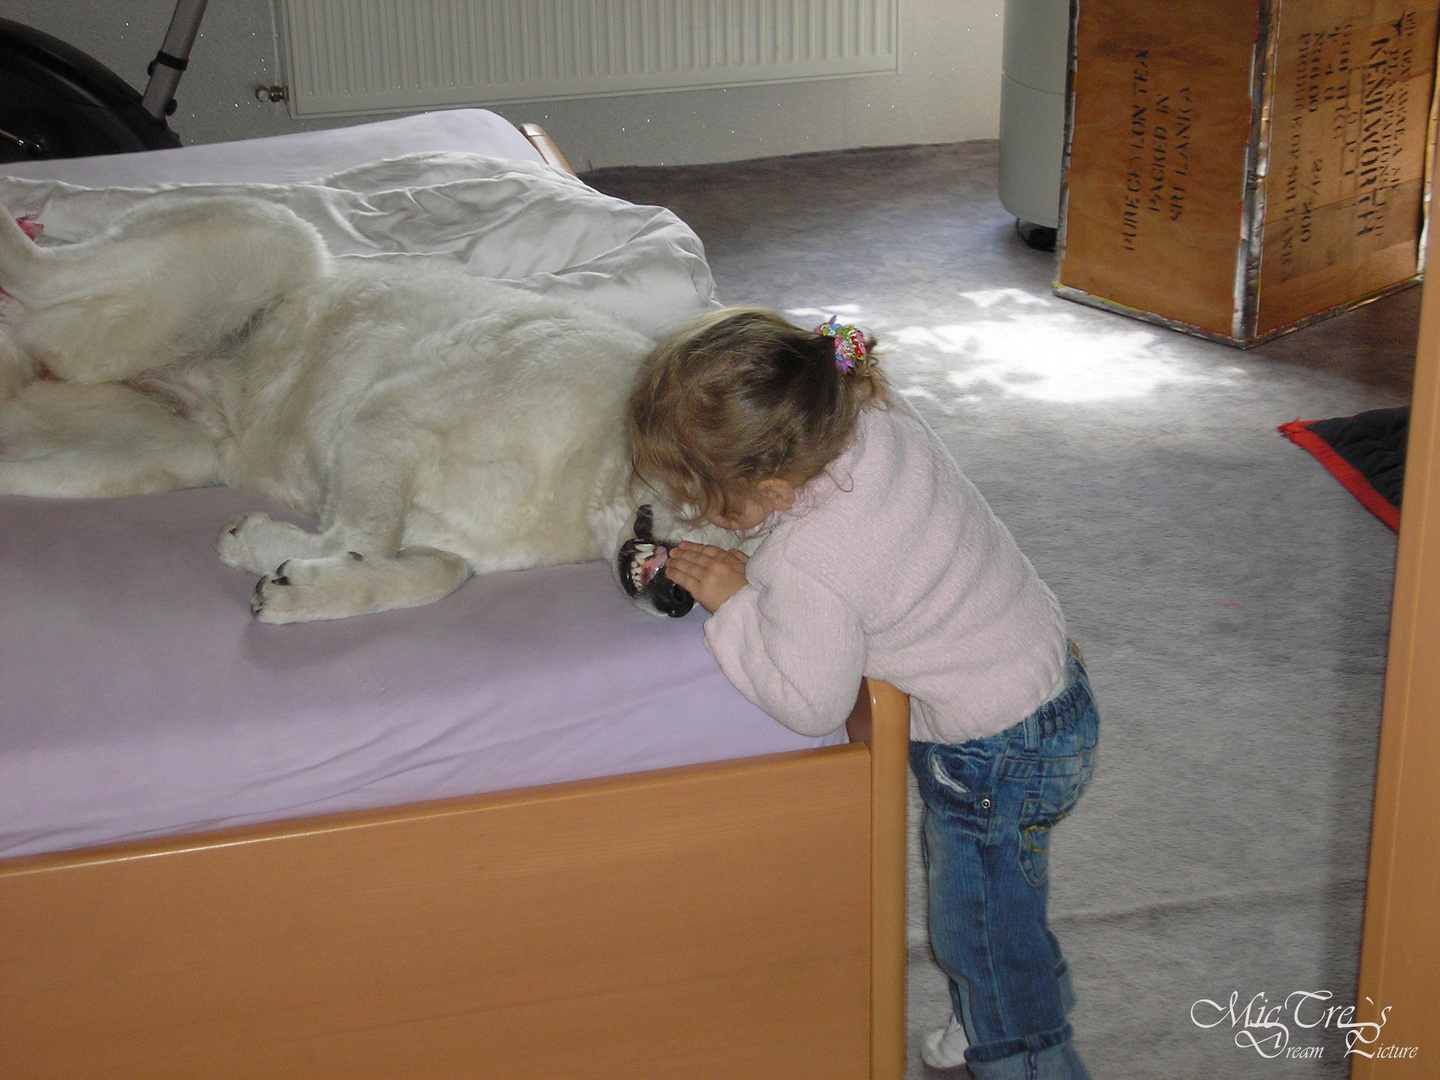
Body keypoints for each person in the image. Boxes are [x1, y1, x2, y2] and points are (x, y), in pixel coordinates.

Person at [627, 308, 1099, 1079]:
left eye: (708, 498)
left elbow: (810, 700)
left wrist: (739, 603)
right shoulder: (860, 402)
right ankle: (996, 1011)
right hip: (1047, 684)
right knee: (1004, 902)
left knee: (974, 925)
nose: (698, 513)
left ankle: (1022, 1050)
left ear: (777, 488)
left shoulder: (811, 562)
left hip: (994, 752)